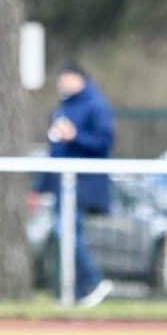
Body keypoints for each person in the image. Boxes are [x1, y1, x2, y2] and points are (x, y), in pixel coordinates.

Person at [39, 63, 115, 307]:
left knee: (67, 231)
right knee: (66, 233)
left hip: (84, 182)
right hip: (62, 183)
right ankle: (76, 290)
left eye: (68, 77)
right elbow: (55, 152)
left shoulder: (96, 105)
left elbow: (104, 142)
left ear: (81, 79)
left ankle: (92, 282)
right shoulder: (61, 109)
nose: (63, 82)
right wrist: (40, 187)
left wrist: (75, 136)